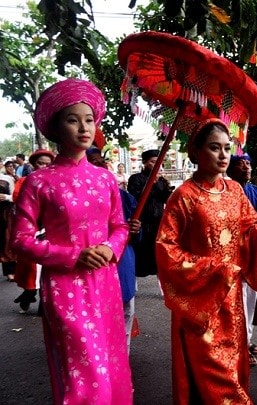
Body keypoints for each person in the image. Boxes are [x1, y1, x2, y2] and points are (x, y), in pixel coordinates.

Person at [155, 118, 257, 404]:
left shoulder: (235, 191)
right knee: (211, 370)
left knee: (232, 362)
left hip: (232, 297)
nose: (223, 155)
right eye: (214, 148)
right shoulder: (184, 196)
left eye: (227, 148)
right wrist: (211, 270)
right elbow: (166, 248)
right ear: (196, 151)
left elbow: (253, 231)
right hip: (200, 299)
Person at [10, 78, 133, 404]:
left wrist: (110, 247)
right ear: (55, 126)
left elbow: (120, 226)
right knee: (85, 378)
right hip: (66, 289)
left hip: (105, 283)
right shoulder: (38, 182)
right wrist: (73, 255)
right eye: (73, 119)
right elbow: (19, 241)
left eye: (89, 119)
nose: (84, 127)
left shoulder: (106, 178)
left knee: (110, 365)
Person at [86, 146, 141, 353]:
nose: (100, 164)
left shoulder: (124, 196)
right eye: (93, 160)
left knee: (126, 308)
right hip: (91, 260)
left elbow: (131, 230)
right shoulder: (76, 194)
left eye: (102, 160)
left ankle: (122, 354)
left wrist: (135, 229)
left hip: (122, 259)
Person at [226, 153, 257, 367]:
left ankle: (245, 340)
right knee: (234, 302)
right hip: (230, 256)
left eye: (249, 163)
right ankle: (236, 343)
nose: (247, 167)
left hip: (253, 255)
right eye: (242, 163)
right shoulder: (224, 190)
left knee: (249, 301)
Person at [13, 149, 56, 312]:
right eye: (40, 163)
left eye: (48, 163)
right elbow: (19, 203)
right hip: (31, 231)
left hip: (51, 230)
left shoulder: (56, 180)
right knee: (31, 270)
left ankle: (42, 304)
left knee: (48, 268)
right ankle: (28, 294)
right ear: (33, 164)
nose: (44, 166)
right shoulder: (25, 181)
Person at [128, 149, 172, 277]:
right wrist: (150, 185)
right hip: (141, 225)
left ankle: (162, 290)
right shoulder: (136, 178)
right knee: (140, 259)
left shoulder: (161, 181)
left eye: (159, 163)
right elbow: (134, 198)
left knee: (159, 259)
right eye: (153, 162)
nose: (157, 165)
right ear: (144, 162)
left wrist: (160, 185)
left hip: (158, 224)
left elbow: (166, 199)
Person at [0, 166, 15, 281]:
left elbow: (15, 196)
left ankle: (9, 271)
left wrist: (6, 197)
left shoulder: (7, 179)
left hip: (5, 214)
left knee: (6, 241)